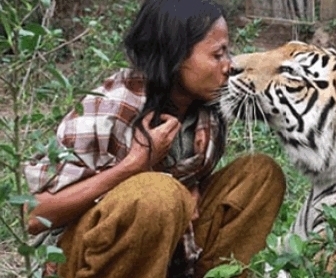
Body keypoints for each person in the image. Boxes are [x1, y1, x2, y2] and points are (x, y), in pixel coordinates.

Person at [22, 0, 286, 277]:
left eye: (227, 52)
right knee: (156, 195)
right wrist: (132, 167)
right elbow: (33, 214)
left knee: (260, 175)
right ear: (176, 55)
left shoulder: (205, 112)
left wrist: (189, 188)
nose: (229, 66)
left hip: (167, 244)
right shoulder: (112, 107)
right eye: (217, 55)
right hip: (80, 257)